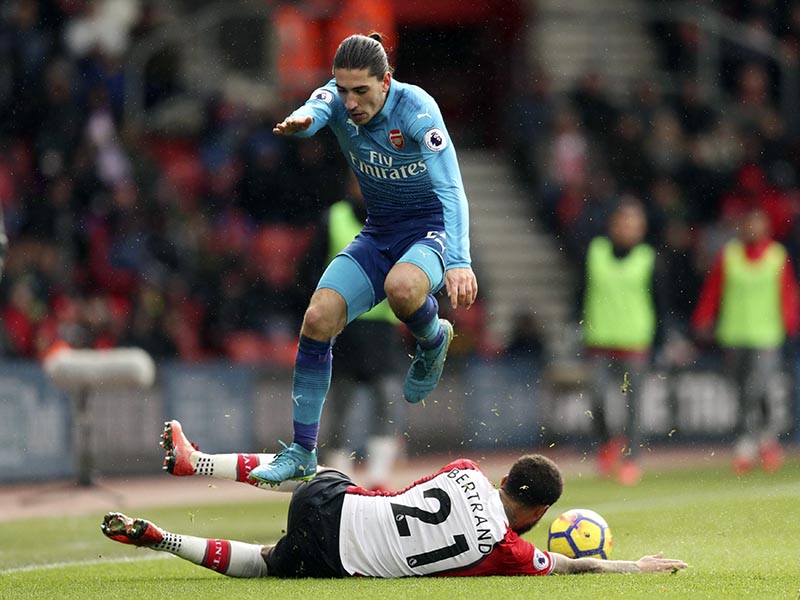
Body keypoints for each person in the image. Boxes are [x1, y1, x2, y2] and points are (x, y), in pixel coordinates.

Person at [248, 33, 477, 485]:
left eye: (361, 91)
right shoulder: (335, 97)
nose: (349, 101)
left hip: (429, 229)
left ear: (386, 81)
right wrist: (302, 120)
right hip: (379, 232)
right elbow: (315, 110)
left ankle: (432, 340)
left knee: (402, 288)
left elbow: (451, 187)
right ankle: (301, 451)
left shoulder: (417, 110)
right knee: (317, 318)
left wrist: (459, 260)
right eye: (343, 89)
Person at [100, 420, 688, 578]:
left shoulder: (463, 470)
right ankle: (164, 541)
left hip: (333, 504)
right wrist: (631, 565)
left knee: (313, 466)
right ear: (535, 514)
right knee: (265, 565)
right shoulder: (507, 551)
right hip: (342, 560)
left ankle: (194, 461)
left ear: (505, 478)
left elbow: (403, 493)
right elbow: (570, 564)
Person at [309, 173, 407, 490]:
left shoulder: (396, 220)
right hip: (345, 326)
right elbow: (311, 269)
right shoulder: (333, 218)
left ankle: (379, 478)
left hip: (382, 328)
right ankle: (339, 479)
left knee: (388, 401)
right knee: (340, 404)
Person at [691, 207, 799, 475]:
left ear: (766, 229)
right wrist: (703, 317)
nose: (752, 230)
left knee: (757, 388)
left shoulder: (777, 256)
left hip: (766, 335)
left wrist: (791, 323)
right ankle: (766, 439)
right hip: (735, 334)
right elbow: (714, 289)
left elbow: (787, 292)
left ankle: (747, 443)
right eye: (748, 225)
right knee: (741, 390)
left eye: (757, 225)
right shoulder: (729, 255)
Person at [578, 197, 666, 486]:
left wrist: (660, 342)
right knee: (597, 399)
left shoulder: (649, 259)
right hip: (600, 341)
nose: (628, 227)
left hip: (635, 343)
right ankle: (606, 444)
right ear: (612, 224)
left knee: (633, 407)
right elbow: (580, 291)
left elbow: (660, 304)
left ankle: (632, 459)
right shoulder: (595, 252)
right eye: (623, 221)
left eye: (634, 223)